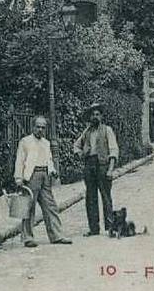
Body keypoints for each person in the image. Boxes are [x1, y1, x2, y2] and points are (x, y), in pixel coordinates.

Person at [13, 116, 72, 248]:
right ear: (33, 127)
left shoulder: (46, 143)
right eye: (38, 127)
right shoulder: (25, 141)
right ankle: (28, 238)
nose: (40, 129)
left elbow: (48, 160)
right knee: (29, 207)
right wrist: (18, 178)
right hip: (31, 176)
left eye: (43, 127)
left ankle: (57, 235)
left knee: (50, 206)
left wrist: (52, 171)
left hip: (45, 176)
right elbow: (20, 160)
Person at [73, 102, 119, 236]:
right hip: (89, 165)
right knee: (90, 197)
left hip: (103, 165)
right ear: (90, 117)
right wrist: (81, 153)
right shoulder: (86, 132)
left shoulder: (107, 130)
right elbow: (76, 146)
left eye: (97, 114)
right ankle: (94, 228)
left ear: (102, 116)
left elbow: (114, 150)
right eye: (93, 114)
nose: (95, 117)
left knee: (106, 196)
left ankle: (111, 227)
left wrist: (110, 169)